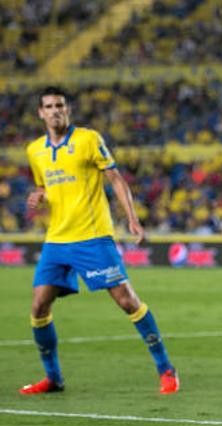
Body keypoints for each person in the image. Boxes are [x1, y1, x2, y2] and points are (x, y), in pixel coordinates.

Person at [20, 86, 179, 395]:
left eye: (60, 105)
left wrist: (131, 218)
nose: (55, 110)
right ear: (41, 112)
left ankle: (166, 369)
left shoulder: (88, 140)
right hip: (56, 239)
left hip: (93, 236)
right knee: (39, 306)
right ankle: (53, 378)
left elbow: (116, 178)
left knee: (126, 300)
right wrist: (39, 194)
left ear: (68, 109)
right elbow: (42, 185)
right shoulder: (34, 150)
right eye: (49, 106)